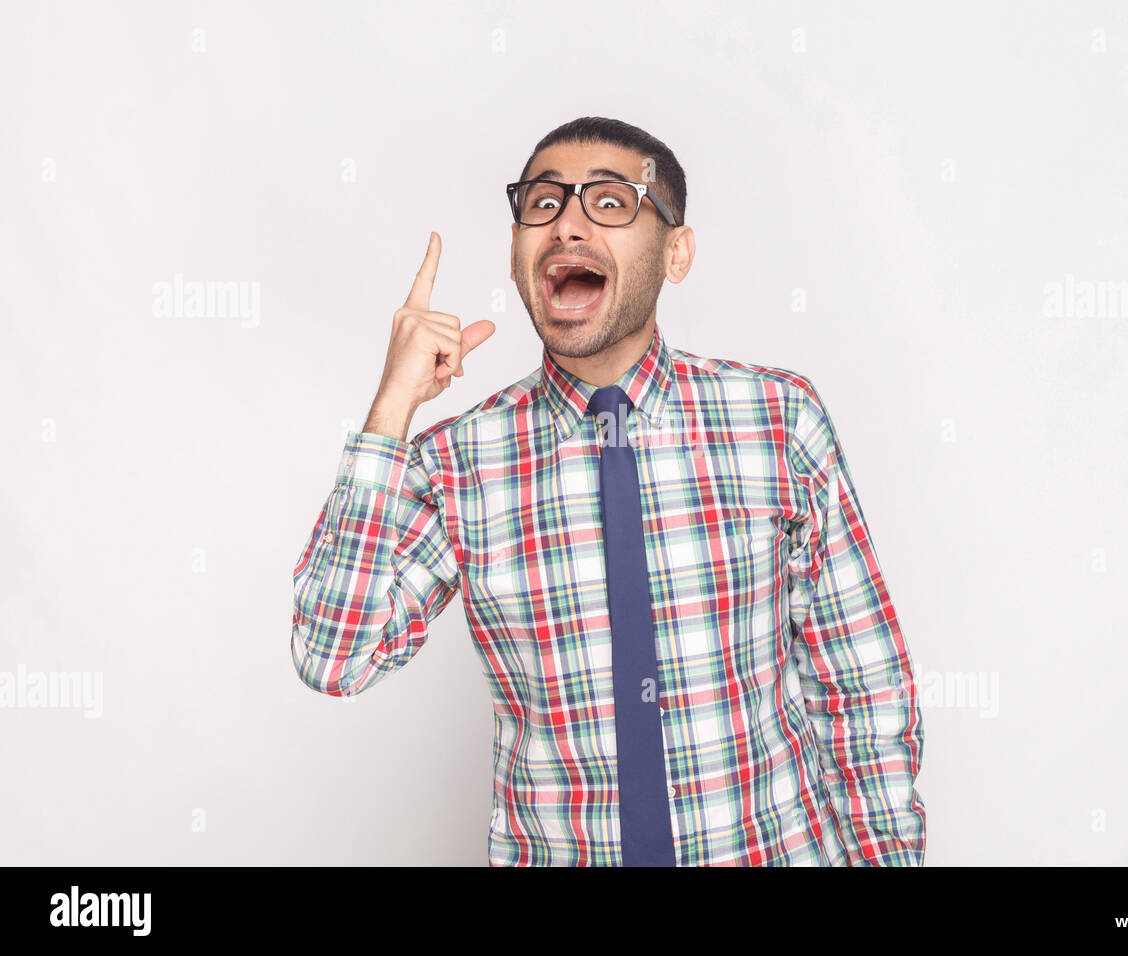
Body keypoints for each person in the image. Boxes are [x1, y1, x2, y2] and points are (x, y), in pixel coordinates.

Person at [291, 116, 926, 866]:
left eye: (612, 203)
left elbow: (862, 685)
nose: (567, 225)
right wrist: (390, 411)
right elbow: (334, 656)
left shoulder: (777, 420)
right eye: (543, 203)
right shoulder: (457, 462)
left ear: (676, 251)